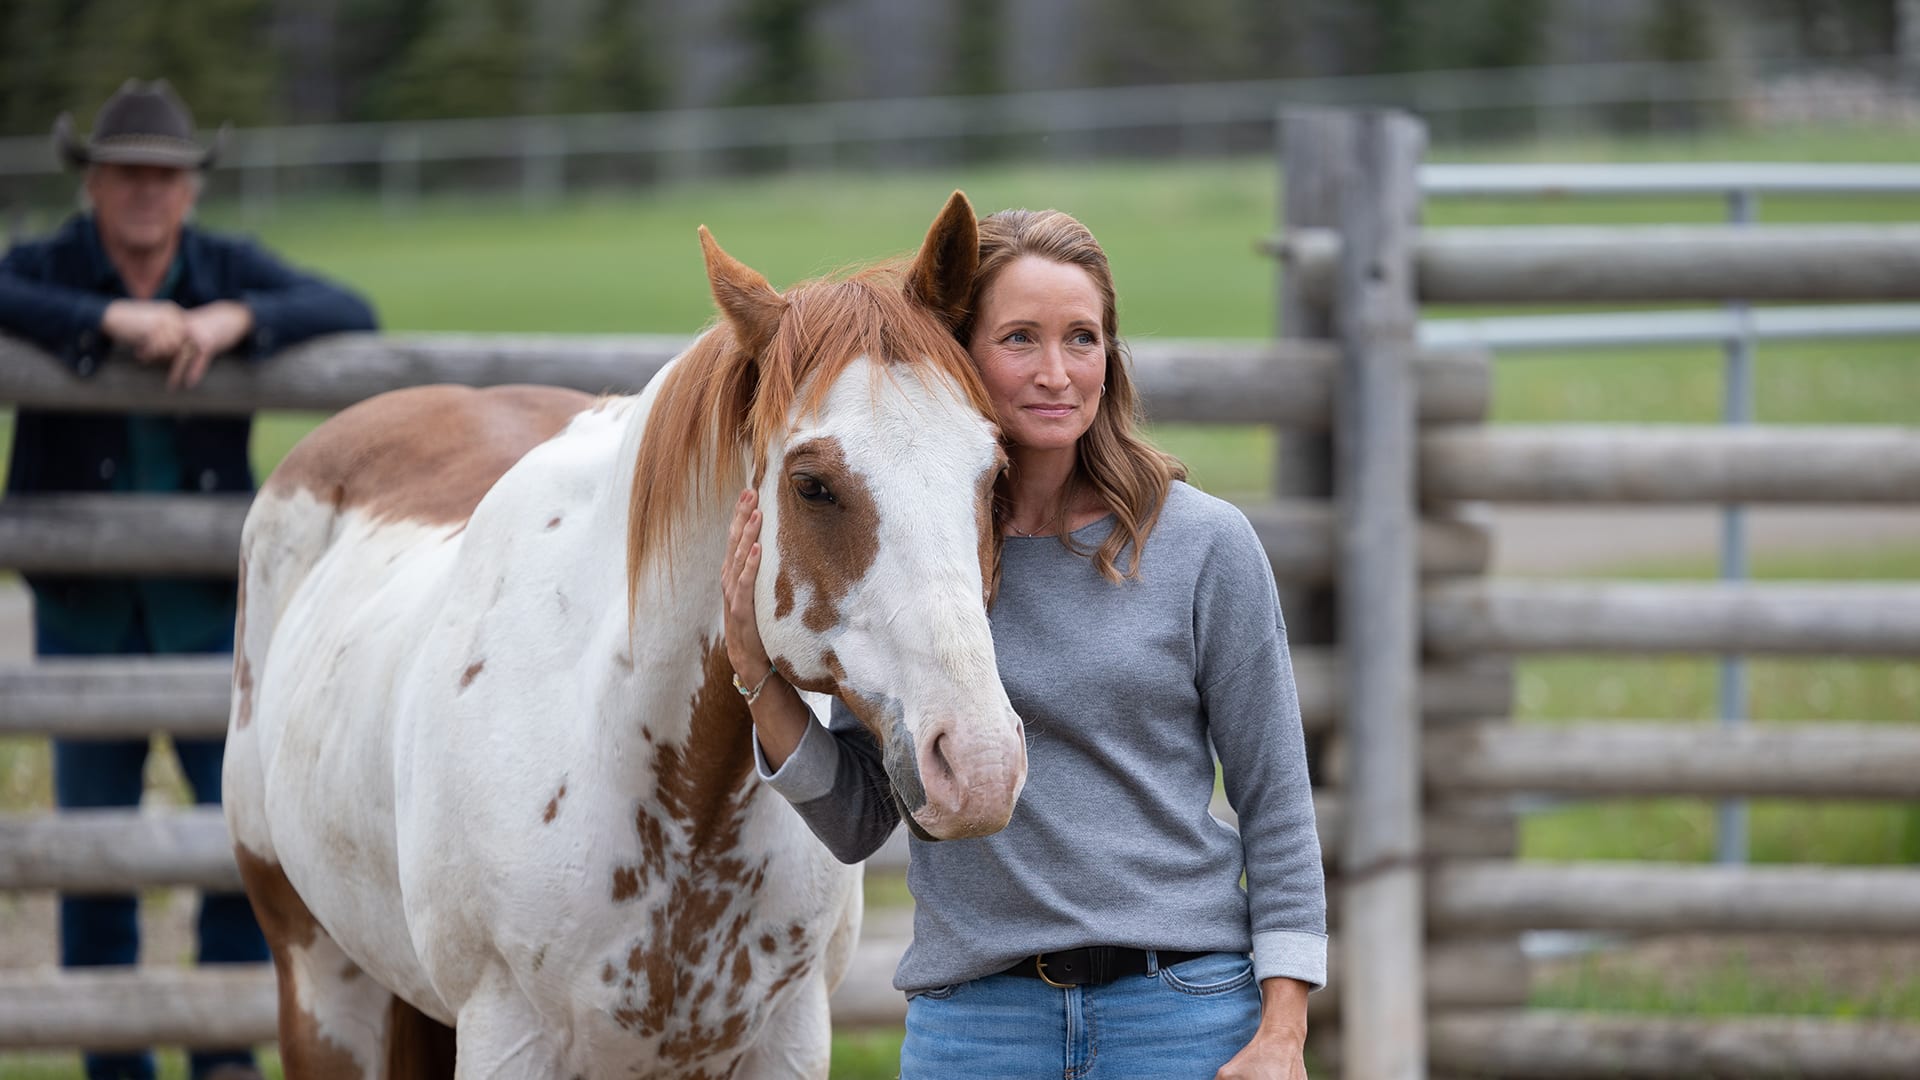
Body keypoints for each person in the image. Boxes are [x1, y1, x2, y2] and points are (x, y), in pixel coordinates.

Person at [722, 207, 1324, 1078]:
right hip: (979, 1026)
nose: (1056, 373)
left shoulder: (1203, 544)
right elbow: (859, 819)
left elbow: (1277, 803)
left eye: (1082, 338)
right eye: (1018, 339)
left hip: (1180, 1013)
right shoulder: (916, 560)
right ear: (961, 353)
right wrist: (754, 673)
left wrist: (1282, 1033)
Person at [0, 80, 377, 1080]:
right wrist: (109, 319)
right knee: (91, 853)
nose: (145, 193)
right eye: (125, 174)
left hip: (211, 608)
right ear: (91, 182)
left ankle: (222, 1057)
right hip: (84, 614)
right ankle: (114, 1066)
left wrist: (229, 321)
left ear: (189, 191)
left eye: (163, 177)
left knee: (236, 841)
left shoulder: (219, 269)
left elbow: (349, 308)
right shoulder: (49, 267)